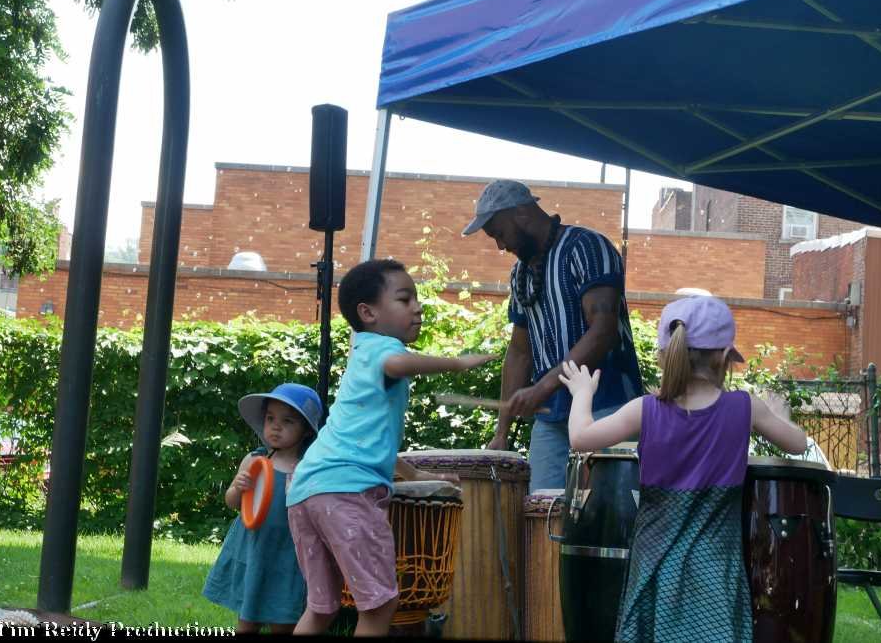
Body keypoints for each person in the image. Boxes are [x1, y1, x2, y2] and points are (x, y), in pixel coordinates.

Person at [558, 295, 808, 642]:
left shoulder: (645, 410)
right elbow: (798, 443)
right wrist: (780, 415)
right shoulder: (746, 408)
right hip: (714, 572)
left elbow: (580, 437)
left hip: (654, 567)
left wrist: (583, 393)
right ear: (724, 356)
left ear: (665, 355)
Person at [286, 258, 494, 637]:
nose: (417, 307)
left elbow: (365, 442)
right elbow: (398, 364)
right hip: (346, 494)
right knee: (380, 606)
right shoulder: (383, 349)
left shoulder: (362, 353)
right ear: (368, 313)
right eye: (404, 299)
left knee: (322, 607)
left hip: (305, 489)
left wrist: (415, 474)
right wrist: (456, 363)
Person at [462, 178, 643, 491]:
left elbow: (603, 332)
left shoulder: (587, 247)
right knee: (541, 506)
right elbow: (520, 352)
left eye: (499, 233)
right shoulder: (520, 274)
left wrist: (542, 387)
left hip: (610, 406)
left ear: (521, 213)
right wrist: (501, 432)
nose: (500, 246)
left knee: (608, 511)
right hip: (551, 417)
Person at [202, 382, 322, 634]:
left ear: (306, 431)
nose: (276, 426)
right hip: (253, 546)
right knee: (248, 617)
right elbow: (232, 502)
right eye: (270, 418)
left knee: (283, 617)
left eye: (287, 421)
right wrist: (238, 488)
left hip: (287, 550)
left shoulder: (306, 468)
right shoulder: (254, 460)